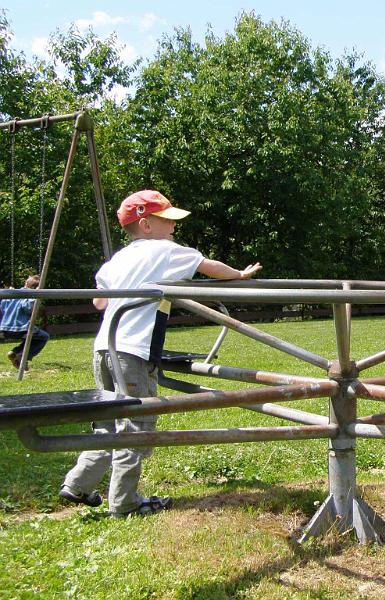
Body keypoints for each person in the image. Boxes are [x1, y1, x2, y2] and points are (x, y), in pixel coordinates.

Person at [60, 190, 262, 518]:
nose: (173, 227)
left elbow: (99, 302)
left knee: (108, 423)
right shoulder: (165, 251)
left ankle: (78, 483)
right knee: (137, 426)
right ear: (146, 224)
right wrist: (239, 274)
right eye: (167, 220)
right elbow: (208, 266)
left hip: (104, 348)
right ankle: (124, 502)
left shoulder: (118, 259)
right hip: (133, 353)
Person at [1, 274, 49, 369]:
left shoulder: (12, 293)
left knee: (32, 338)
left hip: (5, 329)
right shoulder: (29, 294)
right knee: (43, 336)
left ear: (26, 283)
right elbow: (27, 307)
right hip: (20, 328)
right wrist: (36, 296)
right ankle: (21, 356)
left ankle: (15, 352)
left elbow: (2, 307)